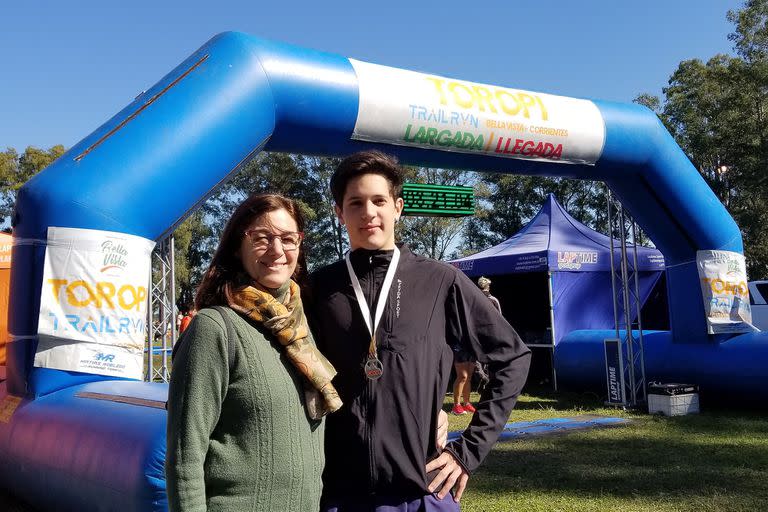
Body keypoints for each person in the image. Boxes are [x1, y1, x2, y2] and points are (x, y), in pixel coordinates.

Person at [308, 150, 532, 511]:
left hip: (422, 490)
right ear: (339, 212)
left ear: (397, 207)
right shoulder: (318, 288)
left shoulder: (440, 280)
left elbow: (513, 357)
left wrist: (468, 450)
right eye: (356, 203)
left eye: (379, 201)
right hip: (339, 493)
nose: (369, 213)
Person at [165, 193, 343, 512]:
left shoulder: (302, 330)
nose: (277, 250)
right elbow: (184, 459)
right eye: (261, 237)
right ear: (238, 246)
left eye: (288, 239)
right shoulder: (215, 328)